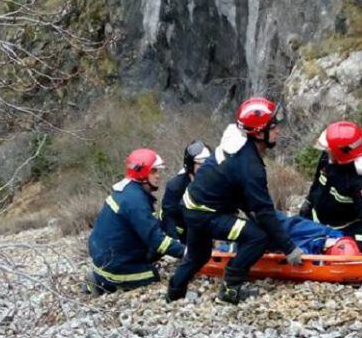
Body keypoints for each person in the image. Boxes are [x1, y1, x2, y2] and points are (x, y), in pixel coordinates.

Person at [167, 97, 304, 304]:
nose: (278, 130)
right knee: (257, 237)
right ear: (259, 133)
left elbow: (243, 197)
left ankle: (174, 294)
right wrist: (289, 248)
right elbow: (264, 210)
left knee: (198, 255)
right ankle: (229, 290)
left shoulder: (236, 146)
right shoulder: (250, 166)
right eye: (273, 126)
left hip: (192, 208)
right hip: (207, 215)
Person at [85, 148, 185, 295]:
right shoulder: (136, 201)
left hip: (103, 255)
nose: (158, 176)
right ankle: (104, 284)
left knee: (155, 241)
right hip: (114, 264)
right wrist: (187, 252)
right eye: (154, 171)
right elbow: (156, 240)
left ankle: (101, 276)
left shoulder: (127, 190)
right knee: (152, 276)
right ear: (142, 173)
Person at [300, 121, 362, 258]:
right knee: (291, 235)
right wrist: (308, 203)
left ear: (341, 153)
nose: (326, 152)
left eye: (329, 150)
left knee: (346, 251)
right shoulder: (327, 159)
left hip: (347, 229)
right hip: (317, 221)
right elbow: (318, 182)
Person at [161, 140, 211, 242]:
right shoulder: (175, 186)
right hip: (180, 234)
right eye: (201, 164)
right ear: (191, 165)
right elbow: (169, 217)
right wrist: (175, 243)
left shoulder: (215, 183)